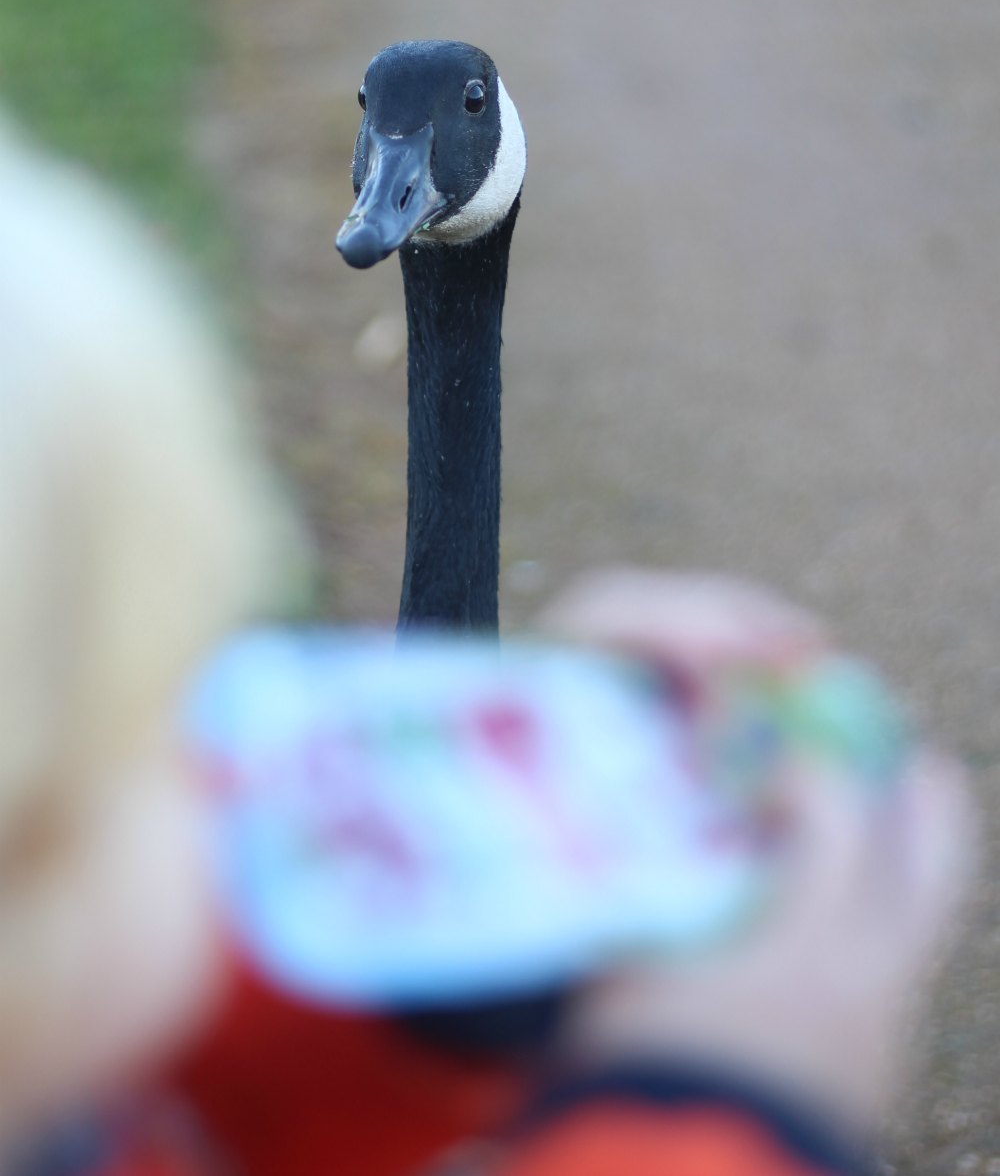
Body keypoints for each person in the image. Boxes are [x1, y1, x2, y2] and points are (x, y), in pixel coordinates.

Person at [0, 116, 973, 1176]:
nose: (222, 782)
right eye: (165, 733)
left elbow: (123, 1012)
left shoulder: (70, 1059)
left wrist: (439, 992)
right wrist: (720, 1114)